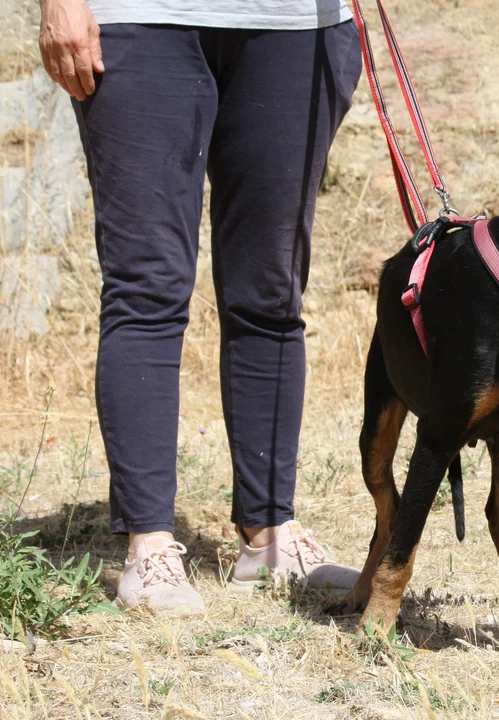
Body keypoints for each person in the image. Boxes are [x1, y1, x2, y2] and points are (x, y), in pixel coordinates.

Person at [37, 0, 364, 615]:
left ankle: (270, 534)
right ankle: (150, 545)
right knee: (147, 287)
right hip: (140, 16)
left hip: (295, 26)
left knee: (271, 291)